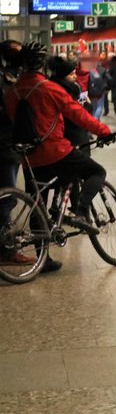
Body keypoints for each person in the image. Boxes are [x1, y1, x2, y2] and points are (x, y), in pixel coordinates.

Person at [5, 42, 115, 261]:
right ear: (41, 65)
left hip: (29, 158)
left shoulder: (12, 91)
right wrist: (104, 131)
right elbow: (78, 114)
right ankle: (80, 213)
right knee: (96, 172)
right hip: (56, 151)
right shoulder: (48, 88)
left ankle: (42, 260)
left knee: (37, 205)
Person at [0, 39, 35, 266]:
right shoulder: (9, 79)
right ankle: (7, 250)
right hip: (5, 145)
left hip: (6, 144)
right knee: (7, 198)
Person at [47, 57, 92, 157]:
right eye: (71, 74)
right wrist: (88, 105)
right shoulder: (67, 91)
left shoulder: (67, 87)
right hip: (73, 137)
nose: (75, 76)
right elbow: (76, 115)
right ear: (62, 76)